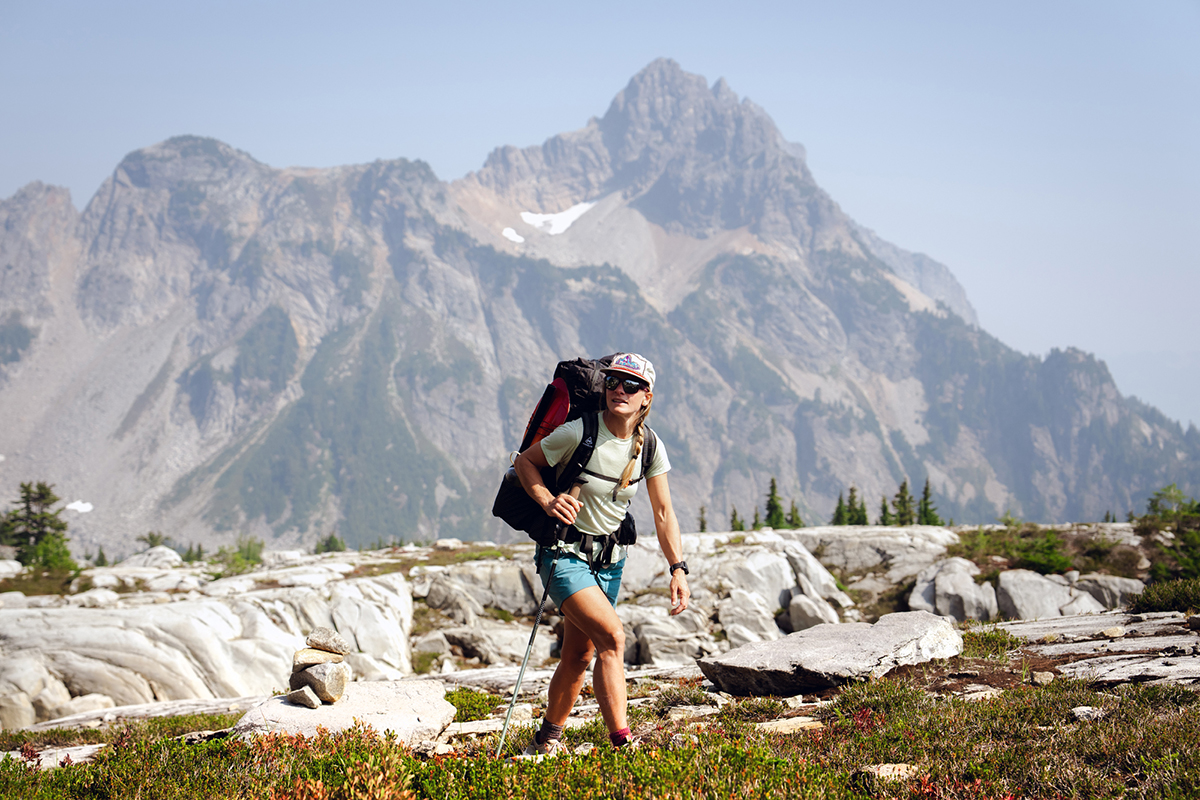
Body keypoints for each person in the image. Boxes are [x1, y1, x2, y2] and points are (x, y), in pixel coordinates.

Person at [513, 352, 691, 755]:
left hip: (609, 563)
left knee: (579, 653)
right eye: (612, 382)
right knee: (613, 636)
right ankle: (622, 743)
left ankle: (546, 739)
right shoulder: (580, 431)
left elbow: (664, 513)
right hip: (563, 555)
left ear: (647, 397)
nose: (618, 391)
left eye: (630, 386)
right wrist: (546, 500)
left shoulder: (649, 446)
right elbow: (525, 463)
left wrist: (677, 568)